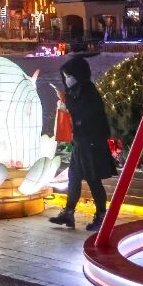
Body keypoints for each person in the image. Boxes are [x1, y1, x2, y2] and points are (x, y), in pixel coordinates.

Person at [50, 55, 117, 231]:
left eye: (69, 75)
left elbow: (85, 113)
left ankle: (101, 216)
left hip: (91, 142)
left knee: (93, 179)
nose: (67, 79)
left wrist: (67, 104)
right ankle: (69, 213)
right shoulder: (76, 91)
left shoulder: (88, 91)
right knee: (74, 177)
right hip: (81, 142)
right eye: (65, 76)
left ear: (78, 74)